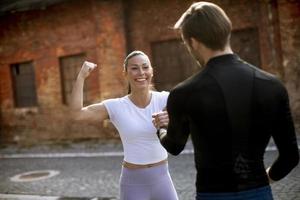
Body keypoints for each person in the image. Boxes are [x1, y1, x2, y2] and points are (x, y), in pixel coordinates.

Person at [153, 2, 299, 200]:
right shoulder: (272, 85)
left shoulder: (184, 92)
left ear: (193, 42)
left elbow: (174, 146)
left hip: (212, 194)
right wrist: (263, 180)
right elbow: (290, 156)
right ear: (226, 33)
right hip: (259, 192)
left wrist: (160, 129)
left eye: (186, 43)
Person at [69, 50, 178, 200]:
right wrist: (81, 77)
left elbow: (194, 118)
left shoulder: (166, 99)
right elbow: (77, 114)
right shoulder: (116, 107)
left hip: (163, 180)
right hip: (133, 184)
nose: (141, 72)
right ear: (125, 73)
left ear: (151, 71)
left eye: (145, 67)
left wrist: (172, 122)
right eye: (134, 68)